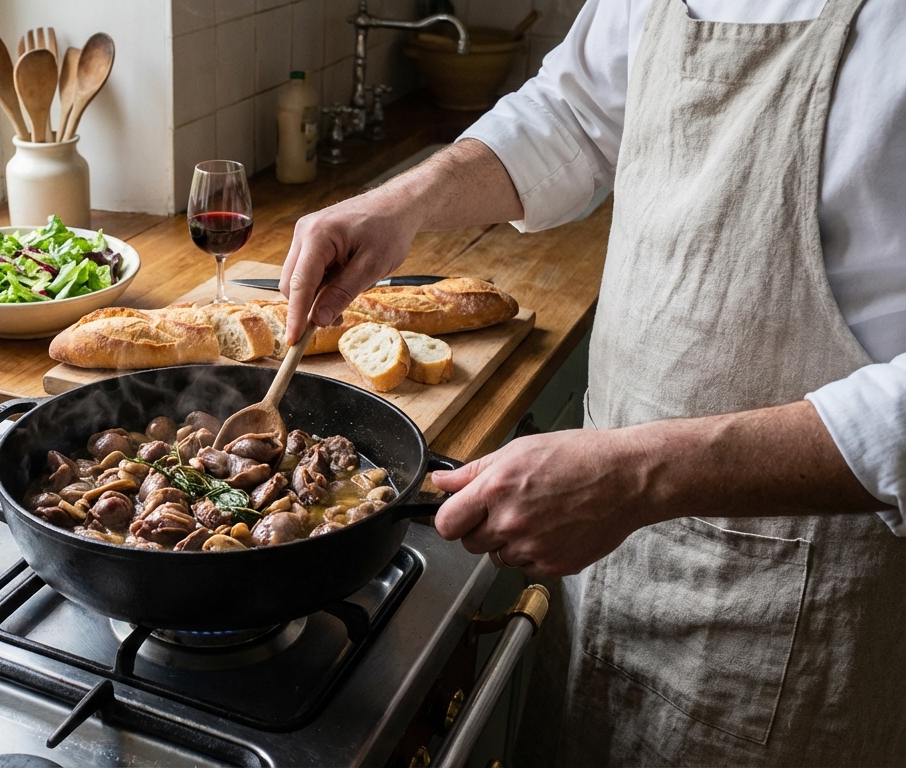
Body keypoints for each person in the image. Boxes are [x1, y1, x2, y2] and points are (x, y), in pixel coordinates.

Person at [279, 0, 905, 764]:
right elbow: (573, 113)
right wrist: (406, 200)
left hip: (804, 590)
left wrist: (641, 476)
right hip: (605, 543)